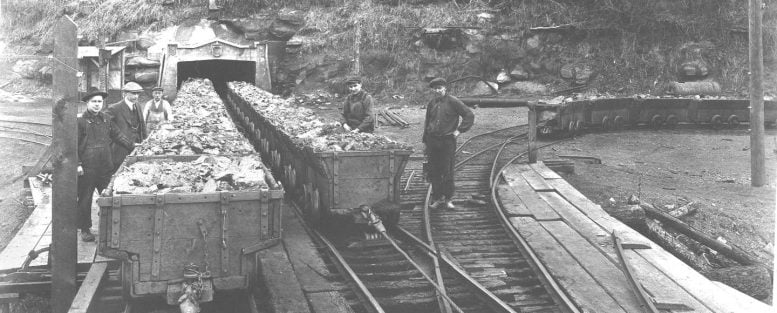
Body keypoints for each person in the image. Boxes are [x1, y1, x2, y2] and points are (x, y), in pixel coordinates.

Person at [77, 90, 133, 242]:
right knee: (85, 199)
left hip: (105, 167)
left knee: (109, 197)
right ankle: (85, 229)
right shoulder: (80, 122)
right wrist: (78, 164)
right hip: (87, 168)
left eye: (99, 102)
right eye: (94, 101)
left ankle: (109, 227)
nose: (97, 104)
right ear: (87, 103)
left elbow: (119, 136)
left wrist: (134, 147)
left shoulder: (106, 119)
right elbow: (73, 145)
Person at [422, 77, 475, 210]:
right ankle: (437, 198)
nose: (437, 91)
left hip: (447, 141)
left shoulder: (453, 101)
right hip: (432, 141)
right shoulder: (432, 103)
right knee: (434, 171)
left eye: (439, 88)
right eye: (435, 89)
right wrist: (425, 141)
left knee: (447, 170)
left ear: (445, 88)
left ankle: (448, 199)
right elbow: (428, 122)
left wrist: (459, 130)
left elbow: (469, 115)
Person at [106, 82, 146, 173]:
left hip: (137, 145)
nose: (136, 96)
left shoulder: (138, 105)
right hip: (121, 149)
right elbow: (107, 126)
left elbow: (142, 125)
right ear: (125, 93)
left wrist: (144, 141)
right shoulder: (115, 108)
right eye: (133, 93)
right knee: (119, 172)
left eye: (138, 93)